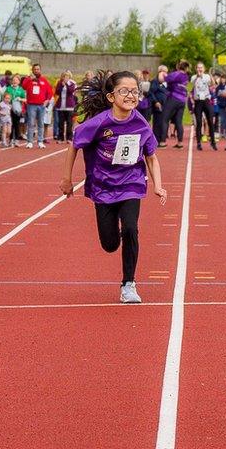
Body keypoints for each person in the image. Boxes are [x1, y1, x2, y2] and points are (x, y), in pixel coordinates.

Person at [60, 71, 168, 304]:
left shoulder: (140, 123)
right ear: (111, 96)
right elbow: (74, 145)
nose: (131, 95)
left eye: (135, 91)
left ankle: (129, 284)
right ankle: (115, 236)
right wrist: (66, 179)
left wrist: (158, 185)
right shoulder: (99, 123)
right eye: (124, 91)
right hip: (103, 187)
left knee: (130, 228)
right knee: (109, 244)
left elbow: (151, 156)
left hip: (131, 184)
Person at [22, 63, 53, 148]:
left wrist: (47, 100)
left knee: (40, 123)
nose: (36, 71)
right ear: (32, 70)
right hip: (31, 105)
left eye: (38, 69)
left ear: (40, 70)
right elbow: (24, 87)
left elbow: (50, 92)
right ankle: (30, 142)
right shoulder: (28, 79)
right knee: (31, 123)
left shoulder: (44, 80)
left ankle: (40, 141)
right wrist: (29, 79)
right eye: (35, 69)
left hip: (41, 105)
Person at [161, 60, 190, 149]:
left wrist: (162, 73)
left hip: (174, 98)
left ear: (178, 66)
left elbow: (165, 79)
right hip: (182, 101)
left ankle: (162, 142)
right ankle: (180, 142)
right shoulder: (186, 76)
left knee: (165, 119)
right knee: (178, 121)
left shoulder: (176, 74)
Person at [189, 61, 217, 151]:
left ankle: (213, 142)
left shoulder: (207, 76)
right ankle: (198, 143)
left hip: (206, 100)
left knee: (210, 122)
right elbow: (192, 83)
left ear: (204, 69)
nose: (200, 69)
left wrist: (211, 75)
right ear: (196, 69)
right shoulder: (194, 77)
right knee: (199, 122)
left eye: (201, 67)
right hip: (198, 102)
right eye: (198, 67)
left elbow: (213, 84)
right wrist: (198, 76)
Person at [55, 70, 77, 142]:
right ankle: (60, 138)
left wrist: (66, 85)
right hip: (61, 106)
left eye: (67, 76)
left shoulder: (71, 83)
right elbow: (57, 92)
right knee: (60, 123)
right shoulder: (59, 83)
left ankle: (69, 138)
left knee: (69, 123)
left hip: (69, 106)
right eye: (64, 76)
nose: (65, 78)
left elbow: (71, 91)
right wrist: (62, 85)